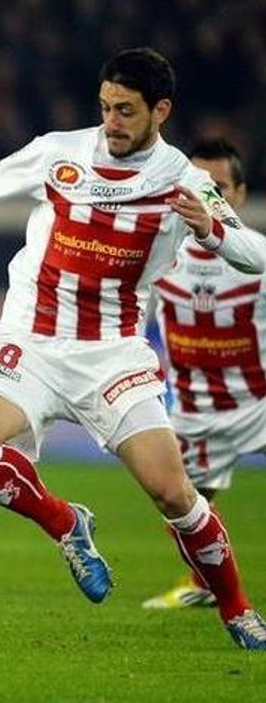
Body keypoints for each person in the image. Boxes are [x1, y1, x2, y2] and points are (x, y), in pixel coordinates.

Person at [0, 48, 266, 650]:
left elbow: (254, 256)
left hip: (113, 356)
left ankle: (236, 609)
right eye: (105, 107)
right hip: (32, 341)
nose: (112, 122)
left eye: (126, 111)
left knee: (174, 494)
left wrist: (209, 229)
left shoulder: (185, 182)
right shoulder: (60, 152)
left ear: (161, 110)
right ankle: (65, 522)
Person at [143, 139, 262, 610]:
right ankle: (205, 586)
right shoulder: (158, 257)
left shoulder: (257, 259)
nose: (205, 198)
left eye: (219, 188)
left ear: (241, 195)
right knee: (179, 502)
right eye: (196, 186)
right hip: (195, 408)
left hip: (259, 403)